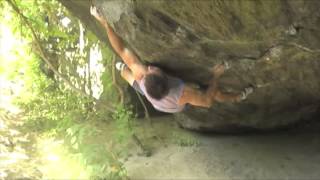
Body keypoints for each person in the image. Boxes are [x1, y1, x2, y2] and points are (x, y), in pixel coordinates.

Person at [90, 6, 253, 113]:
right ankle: (237, 97)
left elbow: (121, 49)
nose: (150, 67)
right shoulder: (181, 94)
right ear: (168, 81)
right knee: (211, 91)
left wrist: (104, 23)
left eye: (148, 70)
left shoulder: (142, 76)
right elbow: (207, 102)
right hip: (172, 106)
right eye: (151, 70)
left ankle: (121, 69)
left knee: (125, 72)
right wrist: (216, 75)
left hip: (152, 95)